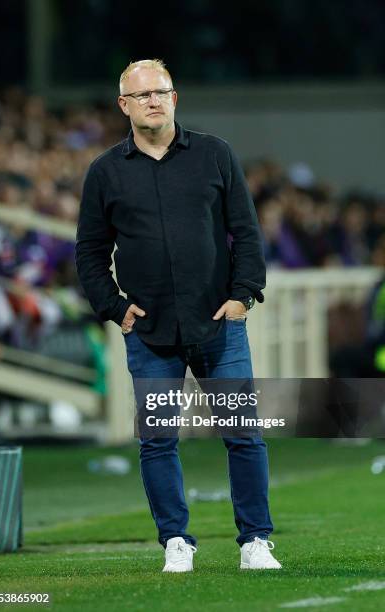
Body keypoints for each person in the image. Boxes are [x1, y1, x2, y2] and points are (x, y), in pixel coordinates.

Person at [75, 58, 281, 572]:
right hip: (148, 331)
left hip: (219, 325)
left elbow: (247, 232)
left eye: (160, 92)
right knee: (158, 442)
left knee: (243, 434)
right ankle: (176, 541)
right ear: (123, 105)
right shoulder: (104, 171)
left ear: (174, 97)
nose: (153, 100)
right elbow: (89, 252)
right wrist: (115, 309)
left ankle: (256, 540)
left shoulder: (215, 154)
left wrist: (245, 295)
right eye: (141, 95)